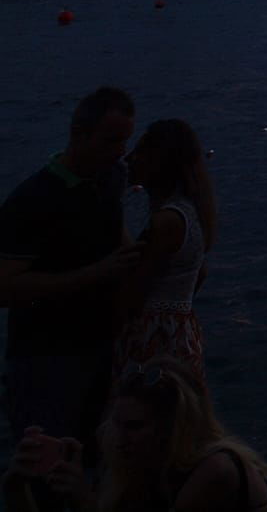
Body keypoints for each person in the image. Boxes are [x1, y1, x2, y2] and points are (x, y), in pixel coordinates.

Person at [1, 87, 139, 446]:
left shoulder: (109, 179)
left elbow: (114, 232)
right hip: (45, 362)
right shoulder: (32, 201)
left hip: (103, 352)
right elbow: (5, 288)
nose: (120, 151)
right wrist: (98, 273)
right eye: (111, 141)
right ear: (79, 134)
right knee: (47, 473)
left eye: (125, 140)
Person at [6, 358, 267, 511]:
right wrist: (17, 486)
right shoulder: (138, 465)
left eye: (134, 426)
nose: (120, 437)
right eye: (118, 423)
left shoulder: (216, 470)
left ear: (172, 428)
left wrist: (84, 500)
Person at [114, 121, 217, 382]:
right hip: (179, 336)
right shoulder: (188, 213)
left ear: (158, 162)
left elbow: (134, 293)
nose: (128, 160)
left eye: (138, 153)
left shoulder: (166, 221)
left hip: (155, 340)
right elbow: (199, 272)